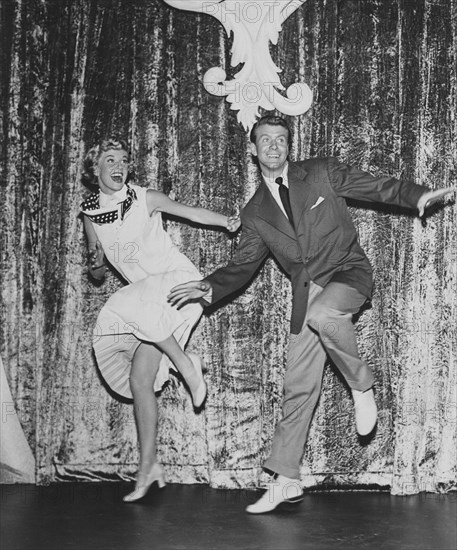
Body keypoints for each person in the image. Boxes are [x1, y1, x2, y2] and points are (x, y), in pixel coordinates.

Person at [167, 115, 456, 514]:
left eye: (280, 140)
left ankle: (361, 384)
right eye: (265, 140)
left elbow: (373, 185)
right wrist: (210, 286)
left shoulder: (320, 173)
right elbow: (243, 265)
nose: (273, 146)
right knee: (297, 385)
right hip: (307, 294)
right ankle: (286, 479)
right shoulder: (254, 213)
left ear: (290, 147)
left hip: (347, 273)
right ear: (253, 150)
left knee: (325, 315)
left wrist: (417, 196)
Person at [81, 138, 240, 503]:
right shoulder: (90, 212)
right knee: (140, 380)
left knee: (133, 306)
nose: (118, 165)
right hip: (148, 306)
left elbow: (189, 212)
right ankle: (149, 465)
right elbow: (98, 270)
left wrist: (226, 221)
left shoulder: (144, 197)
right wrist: (94, 264)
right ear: (95, 170)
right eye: (110, 160)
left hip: (176, 284)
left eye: (123, 160)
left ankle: (185, 365)